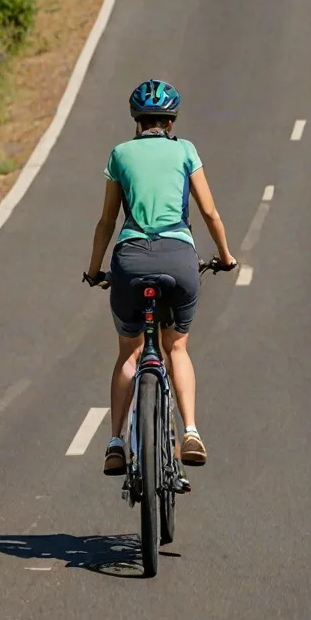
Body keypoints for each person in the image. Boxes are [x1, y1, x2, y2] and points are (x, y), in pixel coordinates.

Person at [84, 80, 236, 477]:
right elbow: (209, 212)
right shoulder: (185, 151)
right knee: (177, 347)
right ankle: (191, 432)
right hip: (179, 259)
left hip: (130, 260)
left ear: (136, 121)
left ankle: (115, 443)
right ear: (171, 122)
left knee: (129, 353)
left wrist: (94, 270)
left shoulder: (120, 154)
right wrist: (225, 256)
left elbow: (107, 221)